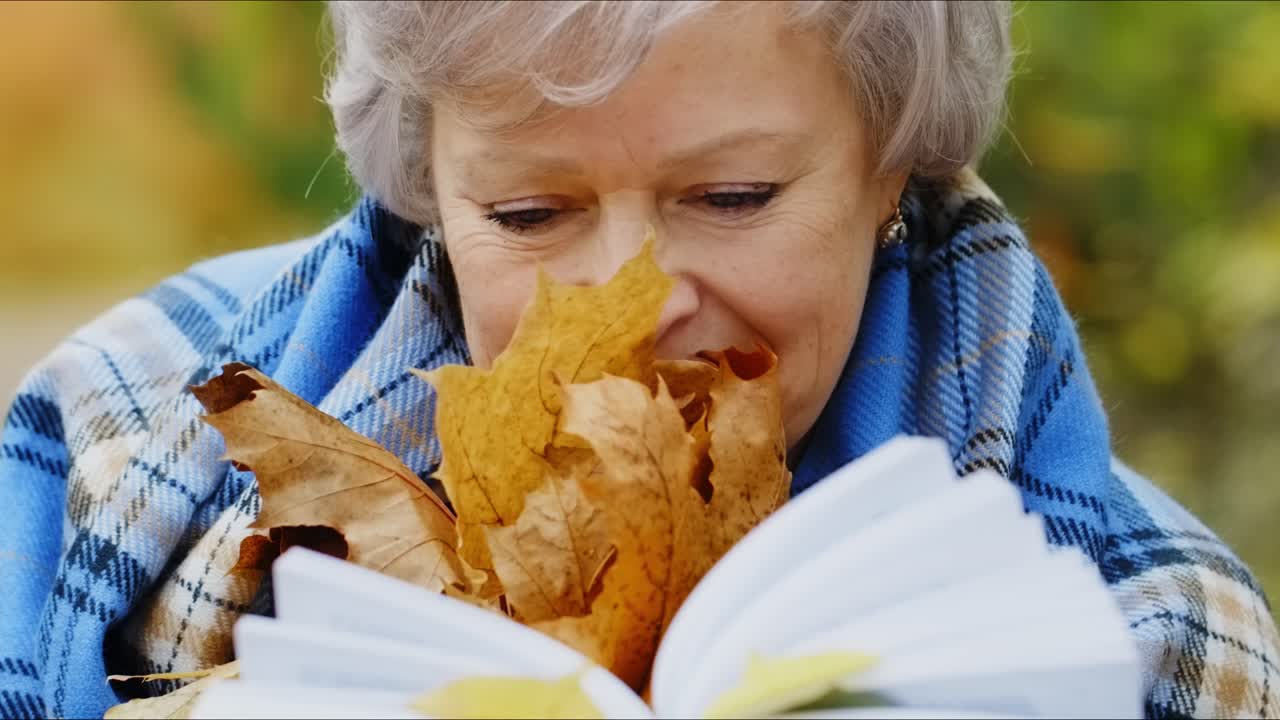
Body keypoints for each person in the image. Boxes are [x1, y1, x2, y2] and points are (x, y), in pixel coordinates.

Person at [1, 2, 1275, 718]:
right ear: (427, 194)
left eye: (729, 195)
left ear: (893, 169)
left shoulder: (1151, 633)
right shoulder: (113, 442)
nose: (634, 305)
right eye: (527, 215)